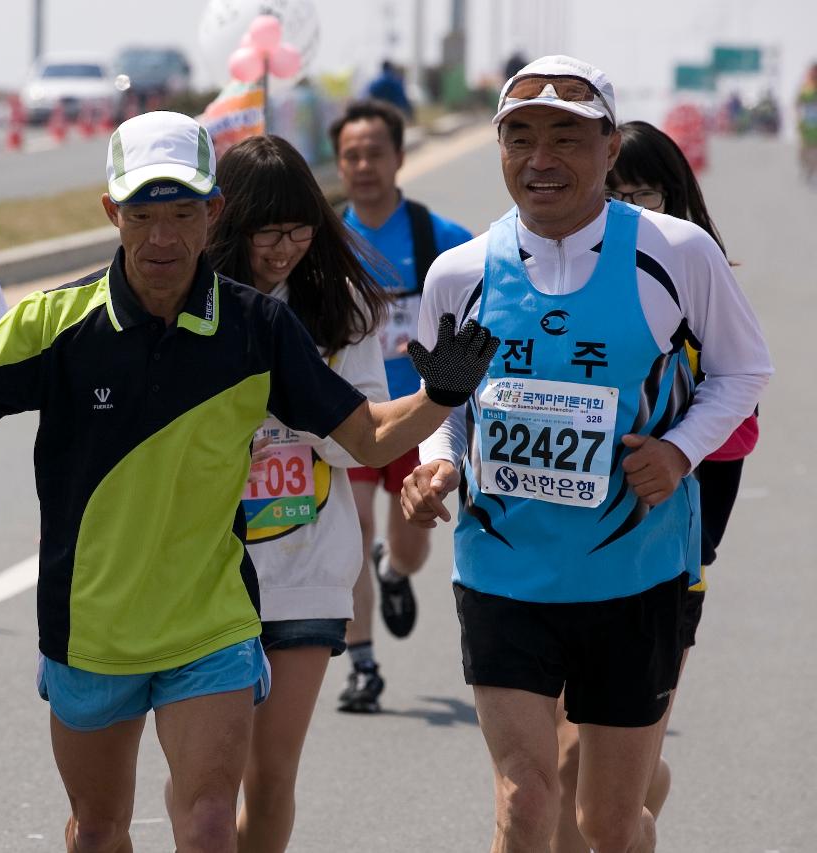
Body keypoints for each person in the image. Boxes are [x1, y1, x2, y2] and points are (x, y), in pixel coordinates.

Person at [0, 109, 499, 853]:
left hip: (212, 623)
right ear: (113, 212)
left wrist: (440, 394)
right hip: (91, 628)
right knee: (98, 829)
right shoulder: (55, 320)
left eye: (183, 212)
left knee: (209, 823)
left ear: (214, 213)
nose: (164, 236)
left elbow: (363, 433)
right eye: (144, 213)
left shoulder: (256, 328)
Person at [401, 55, 772, 852]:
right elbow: (445, 409)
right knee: (525, 801)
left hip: (634, 573)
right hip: (502, 569)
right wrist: (435, 464)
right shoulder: (459, 273)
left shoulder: (675, 253)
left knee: (607, 819)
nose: (542, 160)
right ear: (499, 150)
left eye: (567, 138)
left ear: (610, 147)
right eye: (521, 138)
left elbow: (745, 369)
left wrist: (677, 451)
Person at [549, 119, 762, 852]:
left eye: (638, 193)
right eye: (611, 194)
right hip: (550, 558)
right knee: (559, 766)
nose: (623, 210)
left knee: (586, 766)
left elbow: (737, 425)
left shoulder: (698, 287)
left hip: (661, 562)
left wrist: (672, 449)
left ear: (674, 195)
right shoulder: (557, 278)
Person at [204, 133, 391, 851]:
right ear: (227, 224)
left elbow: (359, 440)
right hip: (205, 571)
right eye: (265, 234)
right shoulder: (196, 298)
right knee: (208, 783)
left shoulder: (341, 307)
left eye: (298, 231)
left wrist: (302, 396)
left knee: (272, 773)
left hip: (309, 568)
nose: (283, 250)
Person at [329, 99, 473, 712]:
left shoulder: (434, 236)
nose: (363, 165)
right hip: (354, 412)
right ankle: (362, 665)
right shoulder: (326, 239)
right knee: (350, 531)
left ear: (399, 158)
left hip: (421, 414)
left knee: (410, 545)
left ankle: (394, 573)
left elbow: (480, 303)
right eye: (350, 155)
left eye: (374, 153)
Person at [797, 63, 817, 185]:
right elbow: (798, 104)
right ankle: (807, 169)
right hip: (806, 124)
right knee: (805, 149)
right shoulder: (806, 89)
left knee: (814, 150)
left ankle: (812, 171)